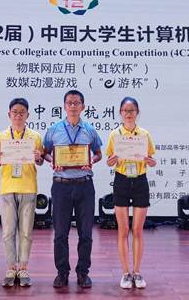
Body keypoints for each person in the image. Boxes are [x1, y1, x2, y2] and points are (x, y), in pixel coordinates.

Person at [43, 90, 102, 288]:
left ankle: (83, 273)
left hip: (85, 185)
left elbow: (98, 153)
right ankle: (62, 273)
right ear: (64, 106)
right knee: (60, 233)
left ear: (83, 107)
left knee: (86, 233)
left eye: (77, 103)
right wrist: (53, 161)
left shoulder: (90, 130)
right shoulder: (54, 130)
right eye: (69, 103)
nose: (73, 106)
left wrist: (91, 160)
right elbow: (45, 153)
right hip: (61, 186)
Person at [105, 97, 156, 289]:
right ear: (120, 112)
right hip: (122, 180)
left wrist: (151, 162)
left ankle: (137, 272)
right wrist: (111, 161)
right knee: (123, 230)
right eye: (125, 110)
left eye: (132, 110)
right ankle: (126, 273)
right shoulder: (115, 135)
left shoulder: (144, 134)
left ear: (137, 112)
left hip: (140, 181)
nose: (128, 114)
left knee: (137, 230)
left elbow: (151, 159)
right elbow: (109, 160)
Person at [0, 98, 44, 287]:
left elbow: (40, 161)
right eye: (15, 112)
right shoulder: (0, 137)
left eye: (22, 112)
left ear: (28, 115)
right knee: (8, 231)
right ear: (9, 114)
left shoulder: (35, 136)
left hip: (28, 187)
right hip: (7, 188)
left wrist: (38, 158)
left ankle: (23, 267)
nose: (18, 115)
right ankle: (11, 267)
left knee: (26, 231)